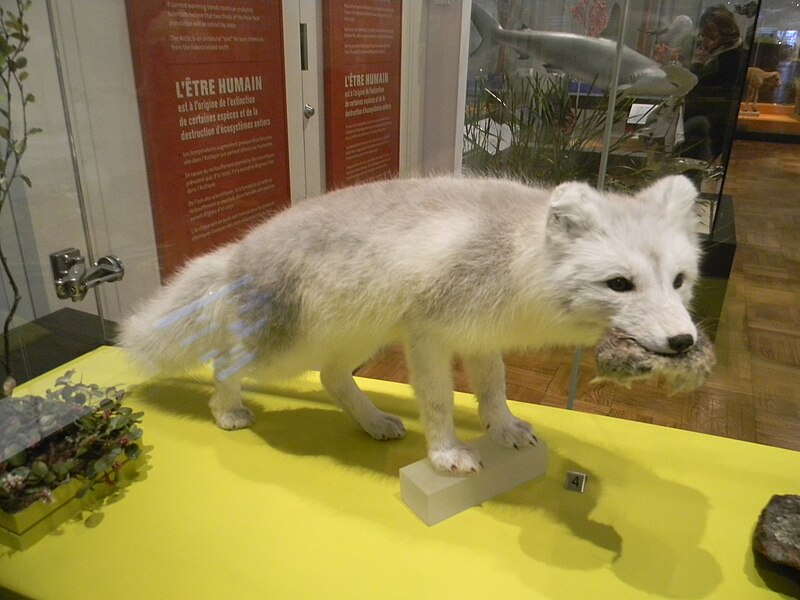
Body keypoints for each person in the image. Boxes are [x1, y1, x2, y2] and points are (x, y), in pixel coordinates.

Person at [679, 5, 748, 163]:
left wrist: (697, 64)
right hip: (704, 122)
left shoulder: (732, 59)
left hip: (709, 126)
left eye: (709, 36)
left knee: (692, 169)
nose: (703, 41)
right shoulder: (724, 54)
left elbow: (694, 88)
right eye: (703, 35)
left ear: (724, 35)